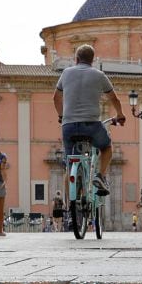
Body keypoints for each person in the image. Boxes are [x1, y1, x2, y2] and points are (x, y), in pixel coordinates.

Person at [53, 44, 125, 195]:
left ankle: (69, 210)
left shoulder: (66, 73)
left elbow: (56, 97)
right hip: (91, 125)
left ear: (76, 59)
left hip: (69, 126)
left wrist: (61, 116)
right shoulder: (99, 75)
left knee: (69, 164)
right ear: (92, 60)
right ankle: (100, 175)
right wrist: (120, 114)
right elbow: (114, 98)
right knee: (106, 147)